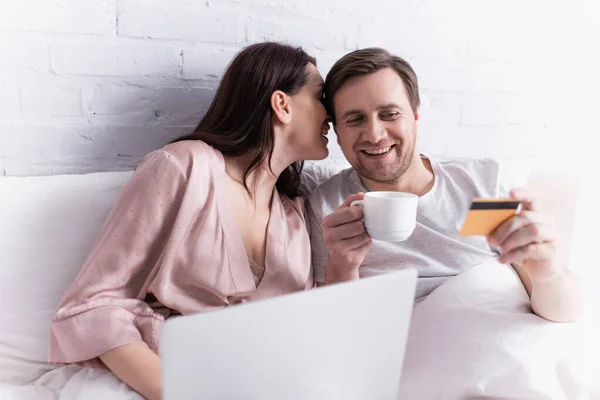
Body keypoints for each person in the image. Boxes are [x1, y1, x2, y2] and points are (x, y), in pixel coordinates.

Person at [48, 42, 332, 400]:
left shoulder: (293, 213)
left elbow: (304, 328)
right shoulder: (182, 167)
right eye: (321, 96)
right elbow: (95, 303)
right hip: (157, 377)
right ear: (282, 105)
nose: (331, 113)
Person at [307, 48, 582, 323]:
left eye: (389, 114)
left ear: (415, 115)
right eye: (355, 119)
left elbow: (563, 314)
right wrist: (343, 267)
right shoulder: (330, 208)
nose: (375, 135)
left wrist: (548, 272)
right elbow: (338, 333)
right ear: (338, 134)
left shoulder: (480, 186)